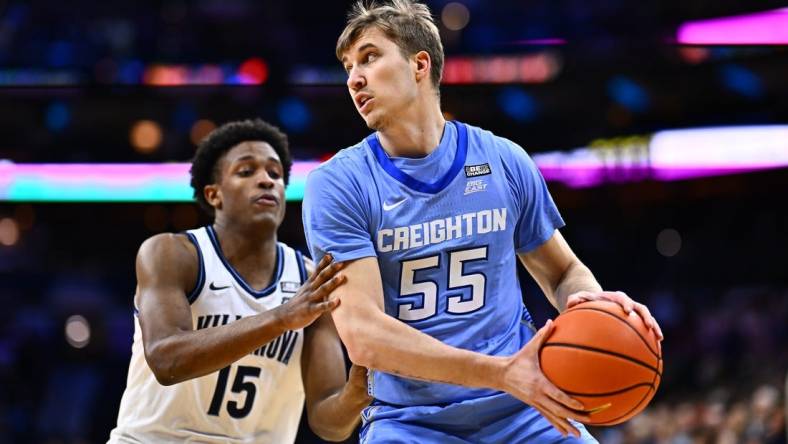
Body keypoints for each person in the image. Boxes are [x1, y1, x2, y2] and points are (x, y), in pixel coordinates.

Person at [302, 1, 664, 442]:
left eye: (370, 57)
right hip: (410, 421)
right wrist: (502, 372)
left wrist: (597, 305)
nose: (353, 78)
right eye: (347, 66)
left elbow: (563, 271)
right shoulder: (338, 184)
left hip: (526, 408)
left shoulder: (503, 158)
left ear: (420, 65)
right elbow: (365, 337)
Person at [109, 119, 371, 443]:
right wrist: (280, 318)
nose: (266, 181)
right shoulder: (173, 254)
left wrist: (358, 393)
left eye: (275, 174)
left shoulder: (309, 281)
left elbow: (328, 422)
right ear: (214, 194)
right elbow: (167, 359)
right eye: (246, 171)